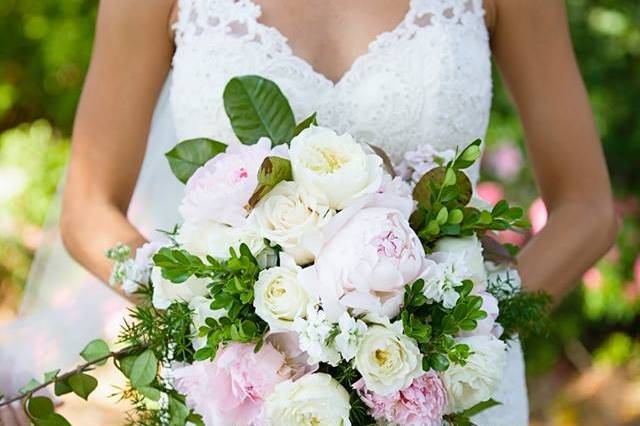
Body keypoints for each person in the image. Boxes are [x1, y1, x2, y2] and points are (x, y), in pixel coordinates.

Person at [0, 1, 617, 424]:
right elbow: (88, 208)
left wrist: (462, 330)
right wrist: (208, 319)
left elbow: (587, 207)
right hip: (243, 400)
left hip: (442, 401)